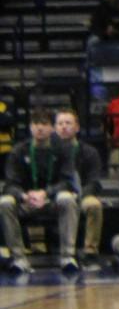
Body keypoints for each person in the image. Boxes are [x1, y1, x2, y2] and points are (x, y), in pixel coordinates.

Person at [1, 109, 81, 273]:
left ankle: (67, 257)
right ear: (30, 127)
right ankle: (19, 258)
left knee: (67, 198)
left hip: (52, 200)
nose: (40, 128)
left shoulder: (63, 149)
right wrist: (24, 195)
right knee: (5, 202)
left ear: (52, 128)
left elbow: (67, 181)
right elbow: (10, 184)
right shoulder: (19, 151)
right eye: (36, 124)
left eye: (44, 124)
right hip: (26, 201)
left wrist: (46, 193)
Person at [51, 109, 104, 268]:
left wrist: (80, 194)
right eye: (60, 123)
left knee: (94, 204)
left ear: (77, 127)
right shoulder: (49, 151)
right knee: (65, 200)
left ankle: (90, 252)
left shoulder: (89, 152)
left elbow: (94, 181)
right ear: (54, 128)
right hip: (57, 195)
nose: (64, 127)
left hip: (82, 193)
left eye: (68, 123)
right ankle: (67, 254)